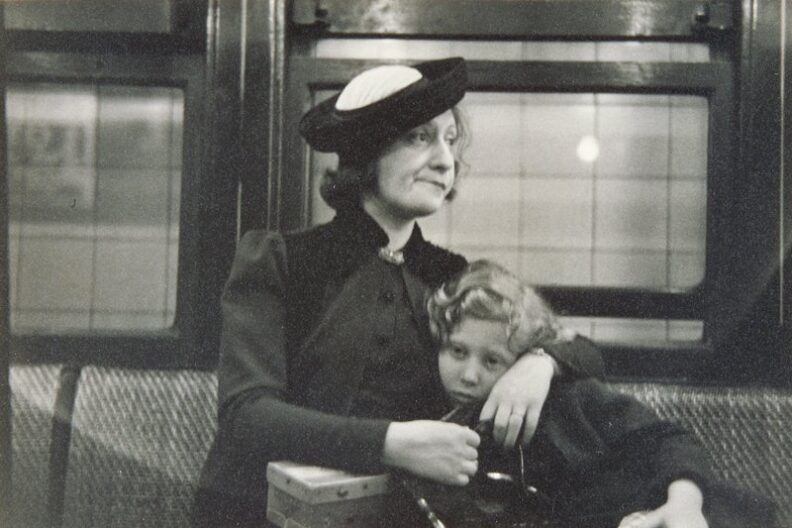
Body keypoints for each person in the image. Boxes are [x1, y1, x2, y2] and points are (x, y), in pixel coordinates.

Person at [192, 57, 604, 528]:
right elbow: (247, 416)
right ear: (367, 152)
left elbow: (585, 353)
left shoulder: (451, 276)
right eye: (419, 137)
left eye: (450, 141)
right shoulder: (281, 260)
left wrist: (539, 363)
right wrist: (394, 443)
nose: (445, 160)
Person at [411, 259, 776, 528]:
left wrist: (684, 505)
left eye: (492, 360)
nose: (470, 375)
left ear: (521, 359)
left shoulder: (569, 398)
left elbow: (673, 440)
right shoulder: (435, 427)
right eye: (457, 352)